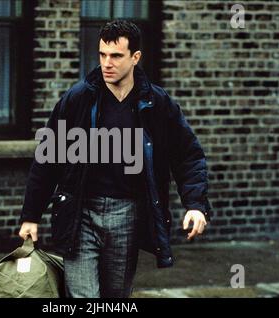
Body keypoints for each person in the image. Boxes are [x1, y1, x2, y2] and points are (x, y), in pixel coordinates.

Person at [18, 20, 212, 298]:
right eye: (102, 55)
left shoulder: (155, 104)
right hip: (81, 212)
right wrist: (31, 215)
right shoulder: (78, 99)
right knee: (84, 296)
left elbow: (188, 155)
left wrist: (195, 204)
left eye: (116, 56)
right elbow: (48, 157)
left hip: (127, 214)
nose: (107, 63)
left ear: (135, 58)